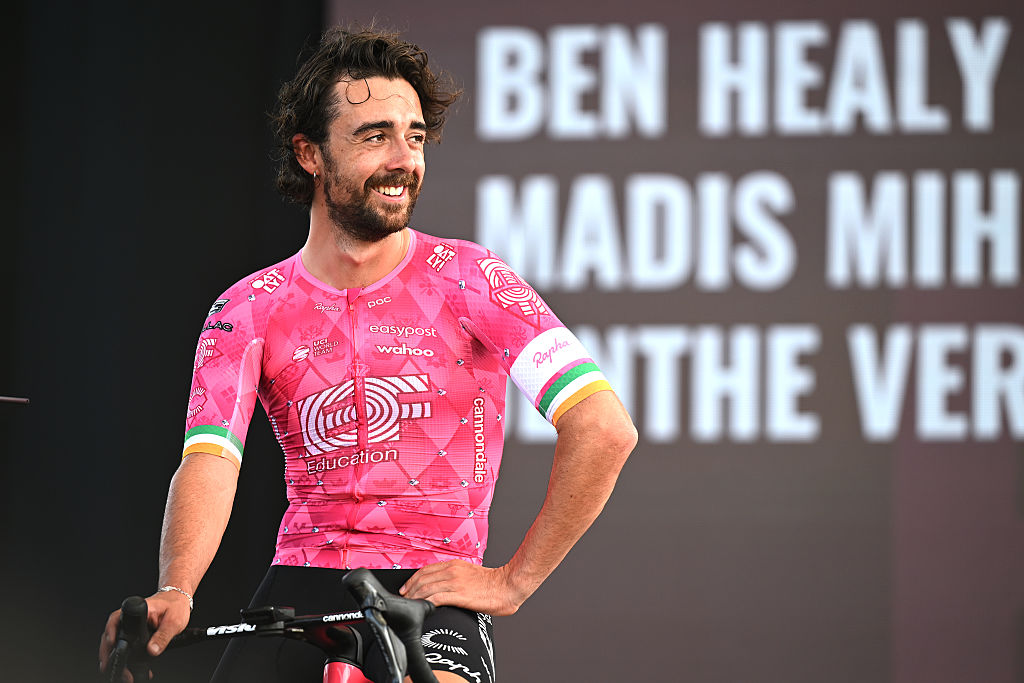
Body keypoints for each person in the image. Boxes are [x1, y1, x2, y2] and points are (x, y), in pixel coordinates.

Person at [100, 26, 637, 683]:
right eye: (374, 134)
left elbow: (604, 428)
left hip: (430, 584)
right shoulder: (246, 307)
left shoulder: (471, 277)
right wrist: (177, 588)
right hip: (299, 579)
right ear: (310, 154)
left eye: (414, 136)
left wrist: (514, 581)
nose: (403, 158)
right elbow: (211, 459)